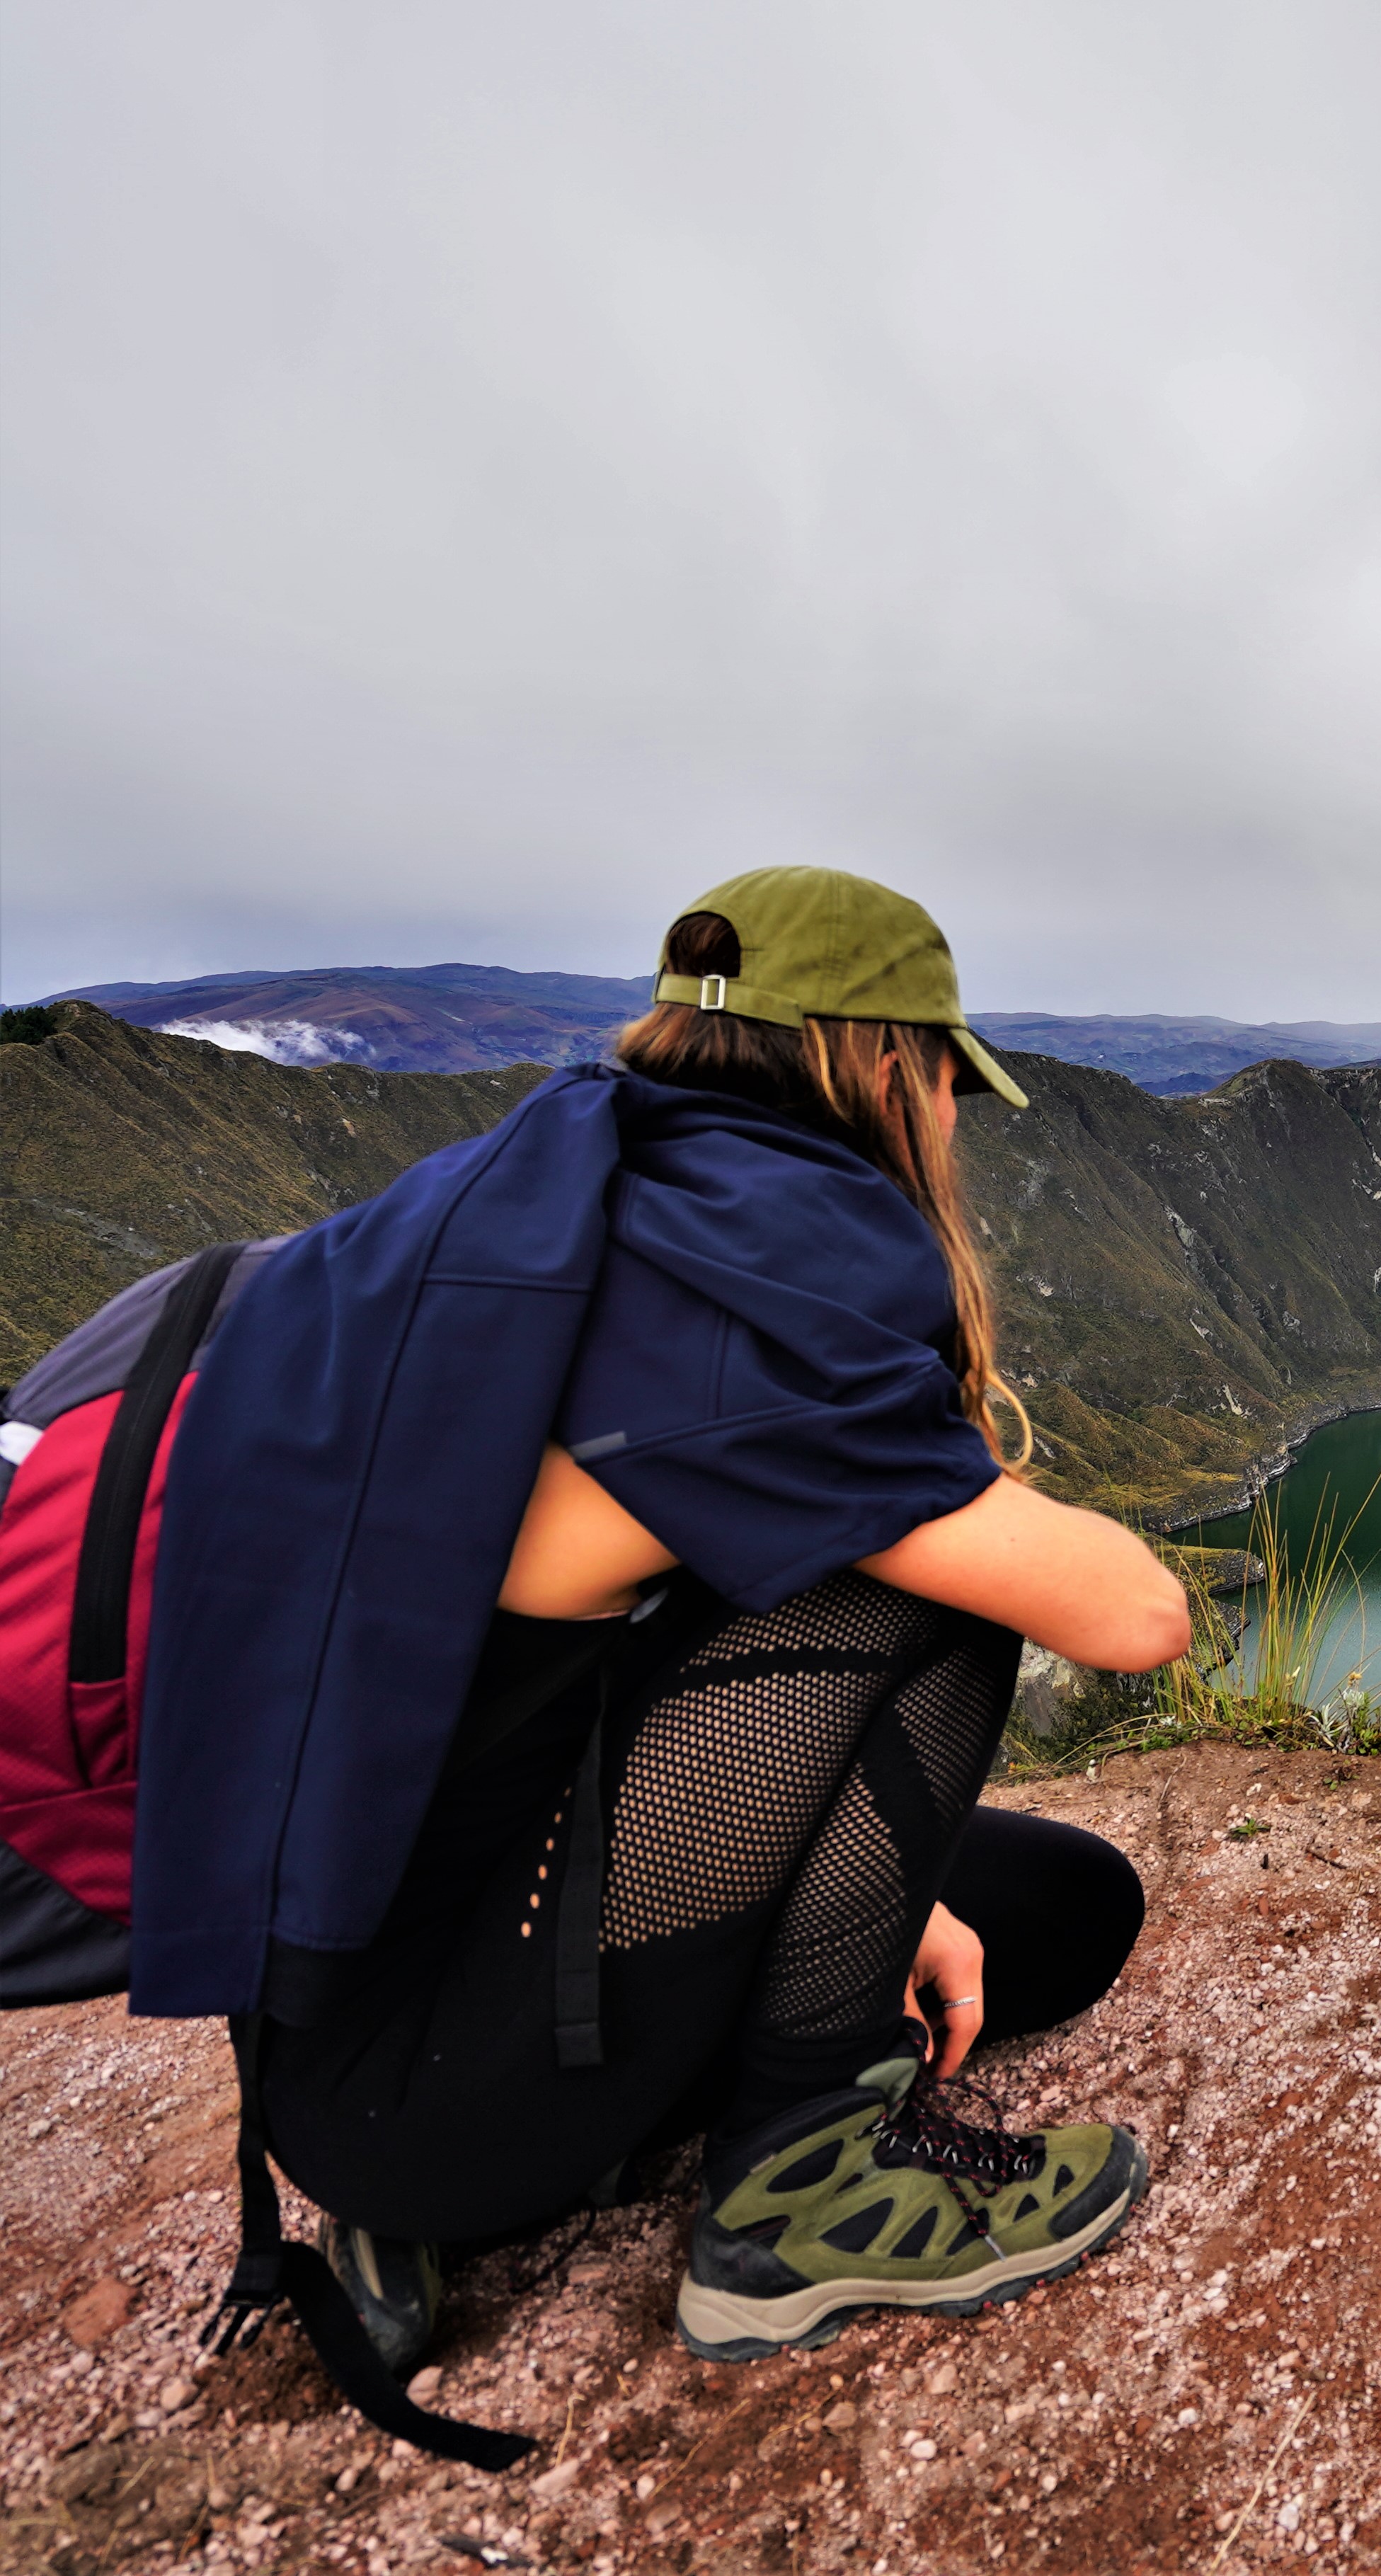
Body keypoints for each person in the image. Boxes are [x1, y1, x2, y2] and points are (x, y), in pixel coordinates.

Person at [139, 866, 1191, 2381]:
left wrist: (889, 1904)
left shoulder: (577, 1210)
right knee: (925, 1580)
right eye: (951, 1075)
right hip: (421, 2075)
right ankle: (795, 2197)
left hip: (371, 2001)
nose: (955, 1116)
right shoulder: (742, 1313)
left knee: (1062, 1909)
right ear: (877, 1064)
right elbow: (1135, 1612)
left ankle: (608, 2120)